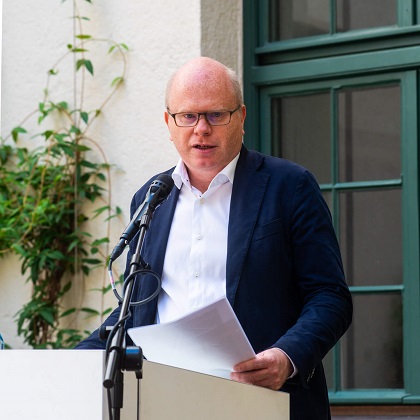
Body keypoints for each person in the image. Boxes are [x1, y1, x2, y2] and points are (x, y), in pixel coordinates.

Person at [76, 57, 353, 419]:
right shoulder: (150, 197)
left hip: (262, 402)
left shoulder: (290, 186)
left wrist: (287, 356)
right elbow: (136, 310)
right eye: (188, 116)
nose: (201, 129)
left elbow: (330, 297)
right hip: (165, 402)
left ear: (241, 116)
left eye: (215, 115)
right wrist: (69, 362)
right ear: (168, 122)